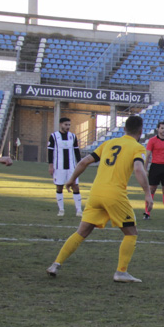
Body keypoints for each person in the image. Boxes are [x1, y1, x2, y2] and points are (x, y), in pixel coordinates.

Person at [46, 116, 152, 283]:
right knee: (131, 233)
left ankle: (55, 264)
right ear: (140, 131)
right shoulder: (138, 148)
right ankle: (121, 272)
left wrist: (72, 179)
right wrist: (147, 193)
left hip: (95, 193)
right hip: (115, 194)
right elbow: (139, 169)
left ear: (124, 129)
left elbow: (84, 161)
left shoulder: (108, 143)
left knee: (82, 231)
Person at [48, 117, 83, 217]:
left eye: (69, 125)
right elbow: (50, 151)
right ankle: (61, 210)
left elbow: (76, 151)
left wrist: (80, 164)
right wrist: (50, 166)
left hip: (72, 167)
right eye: (65, 125)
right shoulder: (54, 136)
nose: (68, 127)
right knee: (59, 186)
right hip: (59, 166)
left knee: (75, 186)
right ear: (61, 124)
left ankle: (79, 210)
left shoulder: (73, 136)